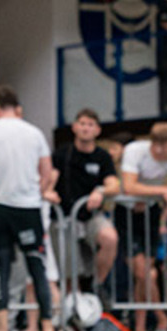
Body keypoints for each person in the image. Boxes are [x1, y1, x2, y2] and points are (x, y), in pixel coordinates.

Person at [0, 86, 58, 331]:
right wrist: (39, 190)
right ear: (16, 107)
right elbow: (47, 171)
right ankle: (48, 330)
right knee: (37, 266)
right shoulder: (34, 132)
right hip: (29, 207)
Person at [120, 122, 167, 331]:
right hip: (126, 213)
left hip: (149, 213)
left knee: (148, 273)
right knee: (142, 272)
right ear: (157, 147)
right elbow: (129, 187)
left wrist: (150, 195)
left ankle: (140, 327)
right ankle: (161, 317)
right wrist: (162, 191)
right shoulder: (135, 151)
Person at [53, 109, 121, 293]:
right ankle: (72, 307)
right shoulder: (61, 154)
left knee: (110, 238)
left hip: (91, 215)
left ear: (97, 130)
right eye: (82, 123)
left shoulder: (102, 156)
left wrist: (100, 191)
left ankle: (96, 284)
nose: (85, 128)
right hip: (64, 217)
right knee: (69, 271)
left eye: (90, 124)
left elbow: (114, 184)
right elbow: (51, 178)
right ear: (74, 127)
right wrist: (48, 192)